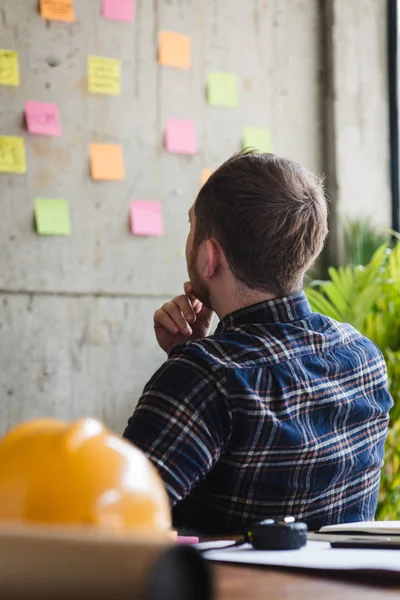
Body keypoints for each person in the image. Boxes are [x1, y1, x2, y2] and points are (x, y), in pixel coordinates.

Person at [123, 151, 393, 534]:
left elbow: (111, 520)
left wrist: (188, 368)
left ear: (208, 257)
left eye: (191, 226)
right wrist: (194, 353)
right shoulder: (363, 358)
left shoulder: (204, 375)